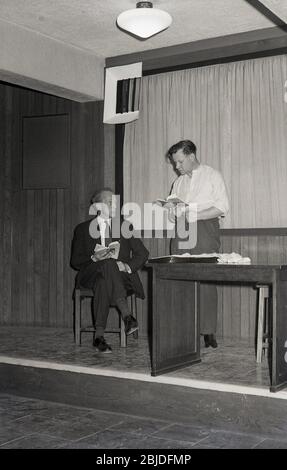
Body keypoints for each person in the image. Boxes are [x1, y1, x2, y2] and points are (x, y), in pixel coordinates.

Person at [165, 140, 229, 348]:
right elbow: (173, 212)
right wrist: (173, 212)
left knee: (206, 277)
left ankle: (208, 331)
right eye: (175, 163)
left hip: (205, 229)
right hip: (182, 230)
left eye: (180, 162)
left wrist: (196, 215)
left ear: (191, 157)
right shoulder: (178, 183)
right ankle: (184, 328)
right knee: (179, 278)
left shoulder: (212, 175)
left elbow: (222, 207)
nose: (177, 167)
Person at [70, 188, 149, 353]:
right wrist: (93, 258)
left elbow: (143, 253)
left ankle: (98, 337)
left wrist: (127, 266)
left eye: (116, 202)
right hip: (90, 274)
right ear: (98, 205)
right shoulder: (82, 229)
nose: (115, 206)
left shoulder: (124, 226)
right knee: (107, 263)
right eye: (110, 202)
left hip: (120, 277)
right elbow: (75, 262)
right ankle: (127, 315)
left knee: (105, 276)